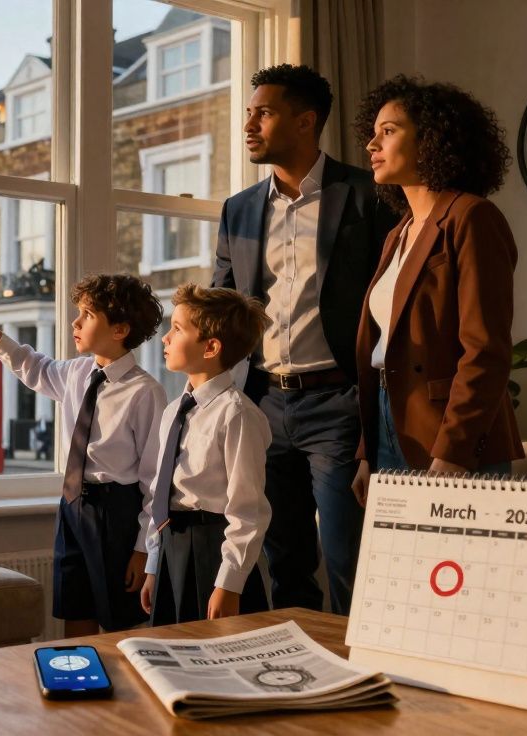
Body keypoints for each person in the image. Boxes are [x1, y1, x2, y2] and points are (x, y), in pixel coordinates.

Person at [213, 63, 395, 615]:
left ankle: (362, 676)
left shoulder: (368, 196)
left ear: (305, 121)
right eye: (249, 112)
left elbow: (390, 303)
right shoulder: (239, 210)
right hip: (263, 402)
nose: (249, 124)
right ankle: (303, 680)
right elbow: (225, 308)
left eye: (263, 112)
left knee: (348, 555)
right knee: (284, 558)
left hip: (338, 402)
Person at [0, 275, 166, 636]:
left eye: (87, 314)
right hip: (71, 506)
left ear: (119, 330)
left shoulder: (145, 392)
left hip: (116, 513)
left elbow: (155, 480)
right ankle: (82, 683)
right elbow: (34, 367)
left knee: (120, 617)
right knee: (75, 604)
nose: (75, 322)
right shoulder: (76, 373)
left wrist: (143, 548)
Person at [351, 74, 524, 502]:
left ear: (431, 139)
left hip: (451, 435)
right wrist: (366, 452)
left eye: (388, 132)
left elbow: (485, 348)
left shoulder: (471, 217)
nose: (372, 146)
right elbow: (383, 348)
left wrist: (455, 450)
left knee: (463, 569)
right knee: (402, 570)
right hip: (392, 426)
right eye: (372, 135)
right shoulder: (399, 232)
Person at [140, 284, 272, 623]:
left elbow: (249, 511)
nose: (165, 338)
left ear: (211, 347)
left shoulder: (237, 415)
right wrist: (155, 564)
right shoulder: (174, 411)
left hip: (214, 555)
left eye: (177, 329)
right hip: (173, 550)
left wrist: (229, 583)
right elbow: (161, 494)